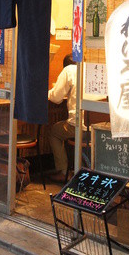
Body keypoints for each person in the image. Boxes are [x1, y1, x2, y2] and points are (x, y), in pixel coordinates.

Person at [48, 53, 78, 182]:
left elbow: (56, 98)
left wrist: (49, 91)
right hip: (95, 125)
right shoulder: (87, 68)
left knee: (54, 131)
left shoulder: (68, 70)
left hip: (77, 125)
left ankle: (63, 171)